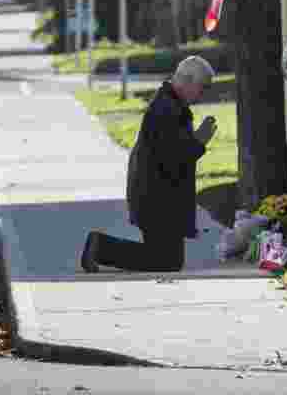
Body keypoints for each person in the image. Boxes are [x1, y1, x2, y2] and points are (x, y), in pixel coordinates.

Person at [80, 55, 218, 273]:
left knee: (167, 260)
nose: (202, 95)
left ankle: (100, 248)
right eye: (202, 88)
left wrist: (196, 141)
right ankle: (100, 248)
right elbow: (173, 157)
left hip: (158, 195)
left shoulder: (171, 104)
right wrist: (199, 141)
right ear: (188, 81)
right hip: (156, 198)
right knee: (165, 261)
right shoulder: (167, 108)